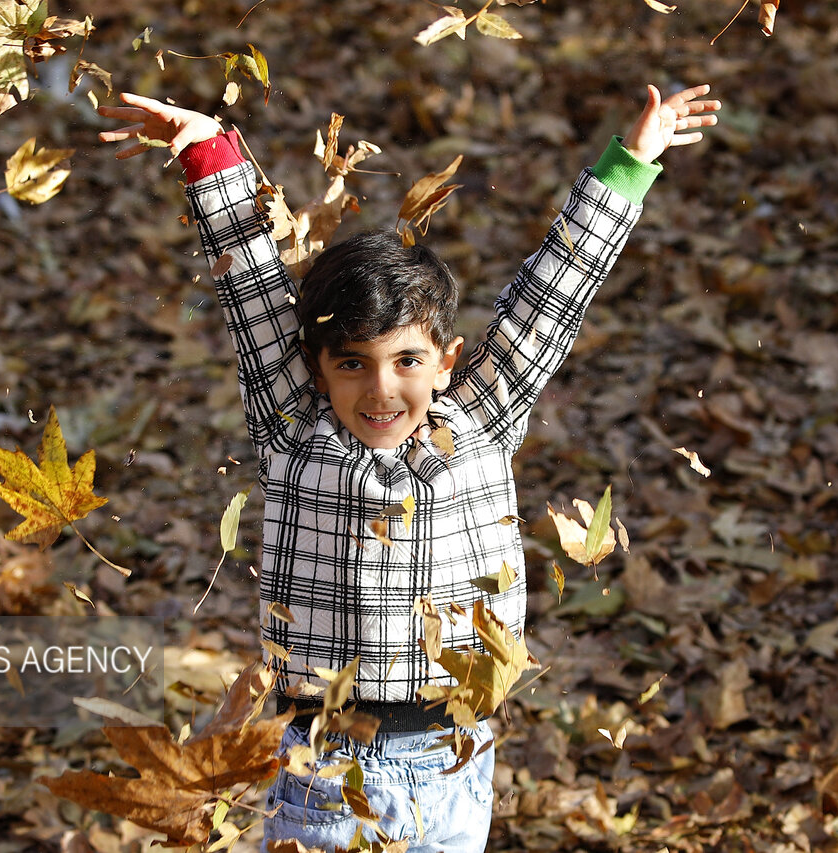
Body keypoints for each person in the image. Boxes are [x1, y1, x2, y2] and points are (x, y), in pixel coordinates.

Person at [99, 82, 720, 852]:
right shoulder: (293, 429)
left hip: (455, 768)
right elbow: (251, 291)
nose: (382, 387)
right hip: (320, 769)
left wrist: (629, 165)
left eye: (407, 361)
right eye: (353, 363)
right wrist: (206, 150)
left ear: (447, 361)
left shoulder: (481, 420)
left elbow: (555, 291)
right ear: (316, 366)